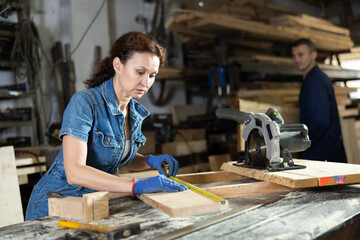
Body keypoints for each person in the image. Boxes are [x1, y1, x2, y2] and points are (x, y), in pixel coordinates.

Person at [26, 31, 187, 220]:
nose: (146, 82)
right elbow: (74, 172)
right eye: (140, 72)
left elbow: (116, 156)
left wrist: (150, 161)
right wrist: (137, 185)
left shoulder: (134, 111)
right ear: (118, 65)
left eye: (152, 75)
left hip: (94, 200)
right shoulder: (84, 103)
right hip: (56, 203)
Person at [291, 38, 347, 163]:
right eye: (293, 56)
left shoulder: (315, 82)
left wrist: (297, 142)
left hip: (323, 154)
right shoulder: (311, 79)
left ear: (313, 55)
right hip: (320, 151)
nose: (296, 60)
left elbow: (320, 121)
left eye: (300, 55)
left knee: (335, 182)